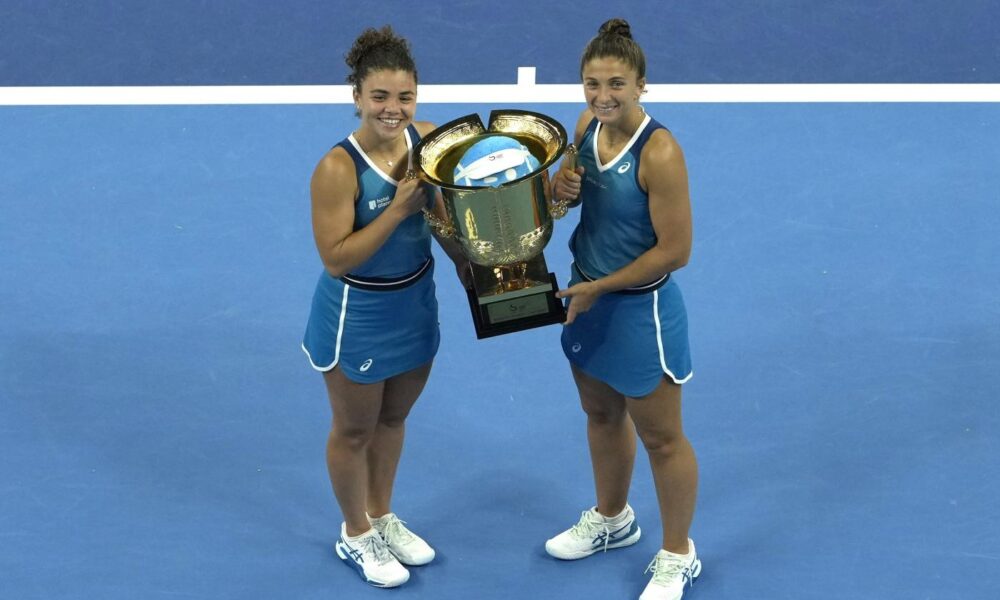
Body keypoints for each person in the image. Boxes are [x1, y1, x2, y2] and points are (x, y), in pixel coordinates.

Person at [301, 25, 467, 589]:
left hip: (416, 303)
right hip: (359, 318)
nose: (393, 110)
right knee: (354, 431)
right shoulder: (337, 169)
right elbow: (337, 259)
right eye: (379, 97)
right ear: (357, 98)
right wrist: (395, 212)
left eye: (404, 97)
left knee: (393, 418)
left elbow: (440, 219)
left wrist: (471, 268)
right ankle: (355, 532)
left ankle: (380, 512)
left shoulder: (427, 141)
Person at [545, 18, 701, 600]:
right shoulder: (586, 127)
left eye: (616, 84)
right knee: (601, 415)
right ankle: (614, 520)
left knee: (662, 438)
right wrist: (562, 192)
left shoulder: (660, 152)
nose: (602, 96)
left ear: (641, 85)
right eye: (591, 83)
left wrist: (601, 287)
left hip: (638, 311)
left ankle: (678, 553)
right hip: (586, 296)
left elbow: (676, 251)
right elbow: (575, 201)